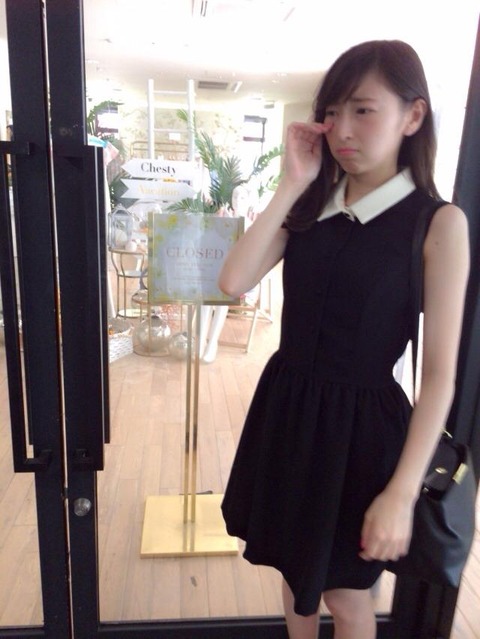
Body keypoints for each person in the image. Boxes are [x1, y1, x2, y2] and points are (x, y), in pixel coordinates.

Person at [218, 40, 470, 639]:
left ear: (413, 116)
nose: (342, 129)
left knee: (348, 596)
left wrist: (401, 494)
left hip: (363, 433)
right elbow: (233, 281)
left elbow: (440, 375)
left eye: (363, 110)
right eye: (332, 112)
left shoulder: (437, 222)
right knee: (293, 574)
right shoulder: (312, 203)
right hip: (287, 411)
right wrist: (292, 181)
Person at [199, 183, 259, 363]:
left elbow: (251, 258)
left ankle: (212, 342)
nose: (237, 200)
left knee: (222, 295)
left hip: (240, 279)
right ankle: (200, 340)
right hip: (218, 272)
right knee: (206, 295)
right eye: (234, 196)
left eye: (242, 197)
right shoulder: (224, 219)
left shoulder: (251, 225)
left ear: (249, 201)